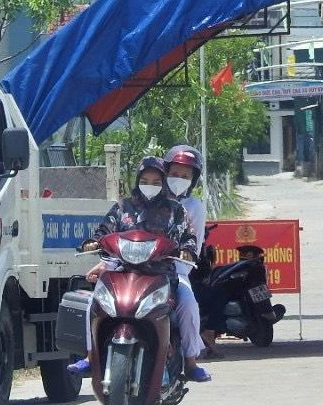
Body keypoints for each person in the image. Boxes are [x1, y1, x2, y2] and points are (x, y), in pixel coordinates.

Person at [68, 156, 212, 382]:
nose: (150, 185)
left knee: (187, 303)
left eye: (156, 181)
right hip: (124, 269)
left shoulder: (176, 210)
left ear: (163, 183)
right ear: (137, 180)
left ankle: (191, 362)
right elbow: (105, 229)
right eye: (145, 180)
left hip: (163, 271)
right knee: (93, 302)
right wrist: (94, 241)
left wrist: (187, 250)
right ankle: (90, 357)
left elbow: (189, 236)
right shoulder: (123, 207)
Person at [162, 144, 219, 361]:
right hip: (142, 268)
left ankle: (191, 359)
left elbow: (194, 245)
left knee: (187, 303)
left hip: (175, 271)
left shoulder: (194, 207)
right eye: (174, 174)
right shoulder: (145, 202)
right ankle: (94, 355)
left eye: (185, 175)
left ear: (192, 180)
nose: (179, 178)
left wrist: (184, 256)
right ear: (165, 172)